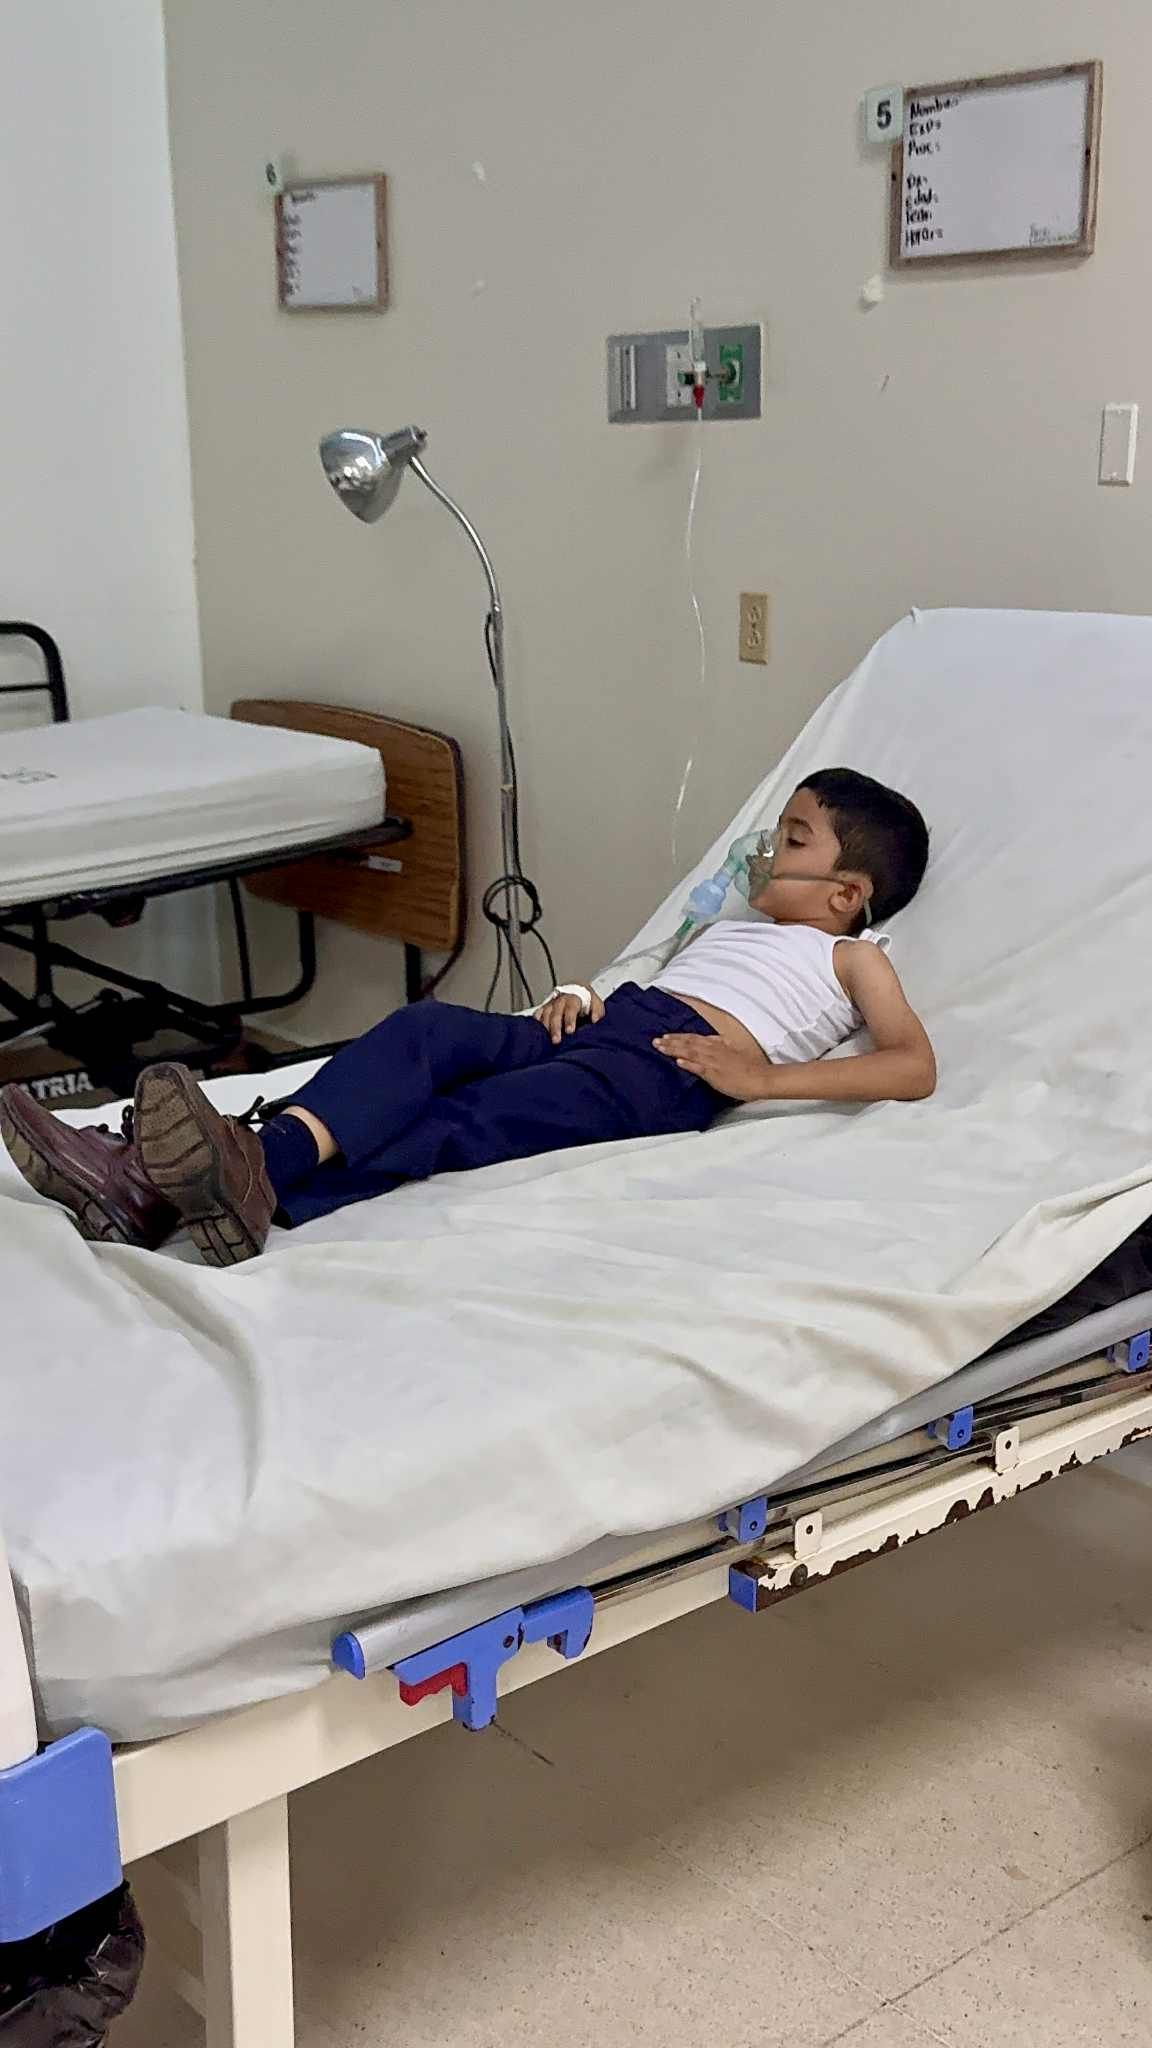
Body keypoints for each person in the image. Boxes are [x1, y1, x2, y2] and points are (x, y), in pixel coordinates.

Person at [0, 767, 935, 1268]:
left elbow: (909, 1065)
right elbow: (651, 971)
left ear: (846, 891)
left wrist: (764, 1080)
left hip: (664, 1070)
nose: (770, 847)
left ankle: (232, 1178)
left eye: (796, 838)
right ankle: (159, 1184)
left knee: (468, 1116)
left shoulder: (852, 957)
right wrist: (585, 992)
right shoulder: (732, 926)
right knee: (430, 1033)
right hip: (609, 1024)